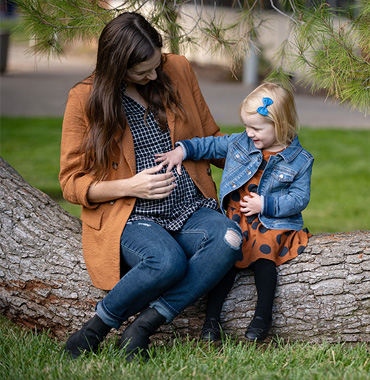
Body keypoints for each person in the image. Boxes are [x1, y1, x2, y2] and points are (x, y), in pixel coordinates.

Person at [59, 12, 242, 360]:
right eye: (142, 71)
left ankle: (143, 326)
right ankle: (93, 330)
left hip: (190, 206)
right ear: (116, 66)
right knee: (166, 262)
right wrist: (131, 185)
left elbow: (210, 137)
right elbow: (71, 182)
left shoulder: (178, 70)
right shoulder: (84, 98)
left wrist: (258, 153)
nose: (154, 75)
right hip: (131, 214)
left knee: (229, 238)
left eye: (156, 64)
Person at [156, 82, 314, 341]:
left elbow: (299, 199)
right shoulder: (240, 143)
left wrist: (266, 204)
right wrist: (182, 150)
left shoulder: (300, 160)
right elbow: (210, 146)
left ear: (280, 124)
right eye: (246, 126)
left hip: (269, 222)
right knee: (224, 263)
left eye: (256, 128)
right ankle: (211, 321)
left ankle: (262, 318)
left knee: (265, 260)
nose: (249, 133)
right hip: (236, 218)